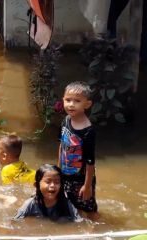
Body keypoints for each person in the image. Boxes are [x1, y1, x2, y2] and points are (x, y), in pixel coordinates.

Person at [58, 81, 99, 220]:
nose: (71, 104)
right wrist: (58, 171)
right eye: (68, 100)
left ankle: (98, 230)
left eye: (77, 101)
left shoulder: (88, 131)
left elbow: (90, 161)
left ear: (87, 104)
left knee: (89, 208)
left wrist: (87, 186)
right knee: (70, 204)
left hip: (82, 178)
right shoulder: (66, 121)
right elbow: (61, 145)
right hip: (65, 174)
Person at [14, 164, 81, 222]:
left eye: (57, 182)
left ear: (61, 186)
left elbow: (79, 222)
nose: (52, 185)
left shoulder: (67, 204)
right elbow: (15, 222)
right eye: (48, 182)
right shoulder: (30, 205)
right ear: (37, 185)